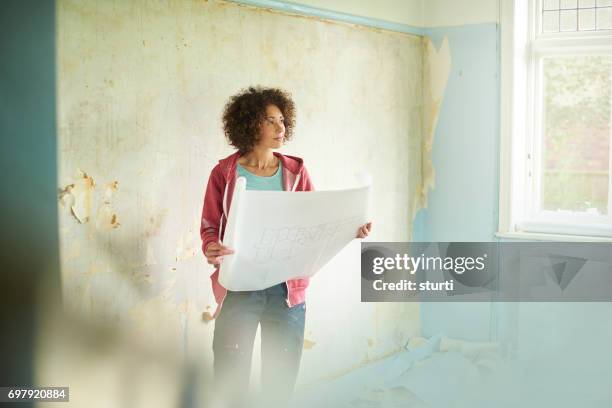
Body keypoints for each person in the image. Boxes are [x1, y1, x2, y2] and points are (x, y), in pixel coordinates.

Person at [199, 86, 372, 406]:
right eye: (270, 121)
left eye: (282, 121)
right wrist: (211, 246)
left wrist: (352, 228)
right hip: (239, 288)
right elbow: (210, 225)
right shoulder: (224, 172)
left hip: (287, 291)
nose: (281, 128)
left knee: (279, 383)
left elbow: (315, 222)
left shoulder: (296, 171)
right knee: (229, 377)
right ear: (250, 124)